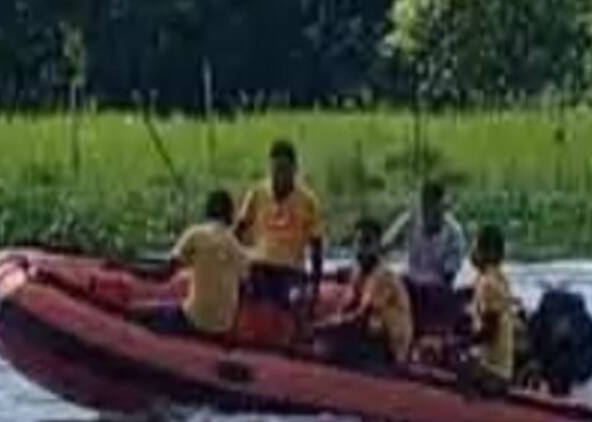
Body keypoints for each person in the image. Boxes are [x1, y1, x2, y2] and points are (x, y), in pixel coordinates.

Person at [137, 189, 248, 339]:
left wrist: (136, 271)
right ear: (230, 216)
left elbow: (165, 272)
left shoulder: (196, 234)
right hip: (224, 324)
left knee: (141, 313)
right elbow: (242, 282)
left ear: (207, 210)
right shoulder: (238, 248)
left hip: (195, 319)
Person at [234, 138, 325, 314]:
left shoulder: (308, 201)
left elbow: (316, 246)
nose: (280, 177)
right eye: (276, 170)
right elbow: (238, 230)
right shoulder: (257, 193)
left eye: (285, 171)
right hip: (260, 265)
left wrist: (316, 287)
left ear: (294, 170)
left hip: (290, 270)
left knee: (293, 300)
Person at [317, 217, 414, 370]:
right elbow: (347, 307)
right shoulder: (359, 273)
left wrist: (325, 327)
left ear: (378, 245)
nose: (361, 248)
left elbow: (361, 317)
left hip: (389, 348)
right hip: (370, 336)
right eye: (358, 242)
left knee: (331, 345)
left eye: (367, 242)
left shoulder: (384, 277)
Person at [383, 179, 467, 334]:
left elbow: (449, 277)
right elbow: (385, 246)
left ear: (442, 206)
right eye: (425, 205)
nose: (428, 212)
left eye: (433, 206)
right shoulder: (410, 219)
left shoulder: (454, 233)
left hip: (435, 289)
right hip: (410, 283)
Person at [464, 222, 518, 389]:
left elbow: (489, 330)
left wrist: (461, 342)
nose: (472, 253)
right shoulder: (500, 279)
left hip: (491, 371)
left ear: (487, 252)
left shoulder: (488, 283)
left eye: (475, 247)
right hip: (501, 369)